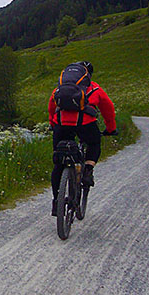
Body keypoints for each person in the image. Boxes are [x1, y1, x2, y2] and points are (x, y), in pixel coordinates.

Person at [48, 61, 117, 216]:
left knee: (58, 163)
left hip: (61, 125)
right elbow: (108, 108)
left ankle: (56, 201)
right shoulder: (94, 88)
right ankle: (87, 170)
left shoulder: (61, 87)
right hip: (86, 125)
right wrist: (111, 129)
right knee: (94, 144)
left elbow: (51, 105)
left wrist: (53, 123)